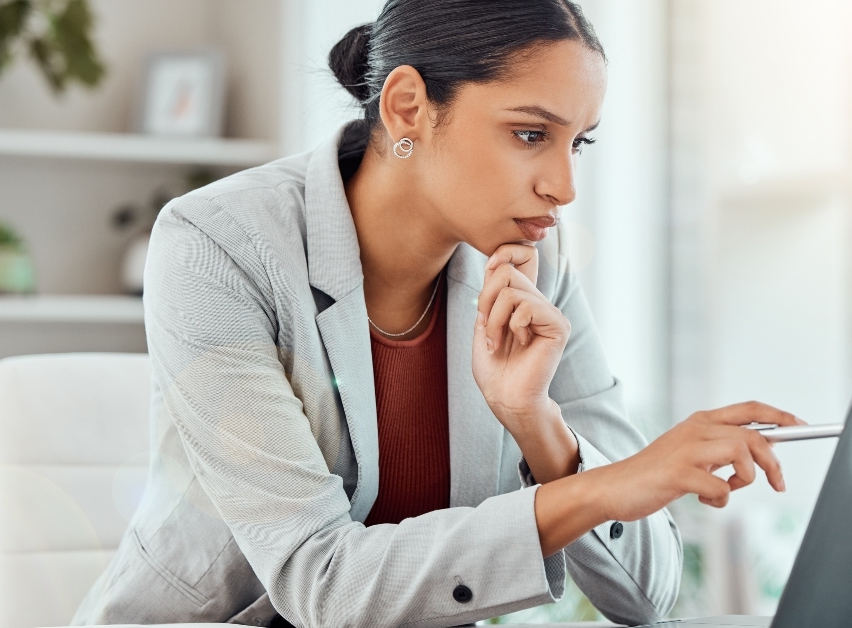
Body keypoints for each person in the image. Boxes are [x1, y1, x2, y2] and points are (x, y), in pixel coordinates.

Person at [72, 1, 801, 626]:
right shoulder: (217, 246)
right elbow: (318, 583)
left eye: (578, 142)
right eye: (529, 134)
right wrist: (606, 485)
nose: (565, 185)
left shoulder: (537, 262)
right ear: (408, 107)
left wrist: (541, 427)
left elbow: (646, 597)